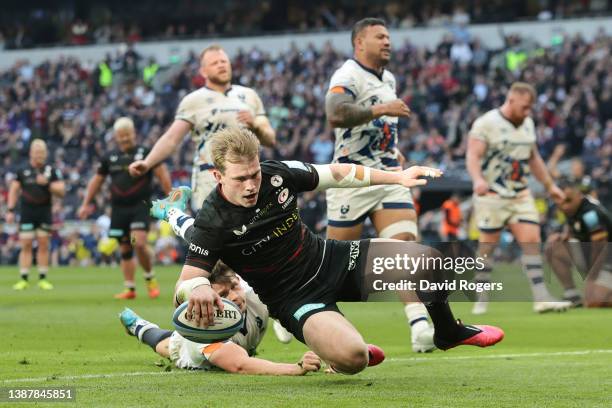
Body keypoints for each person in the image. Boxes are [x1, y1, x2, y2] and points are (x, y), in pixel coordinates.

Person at [154, 127, 504, 375]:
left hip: (330, 258)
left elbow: (336, 172)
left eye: (254, 175)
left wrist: (396, 177)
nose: (250, 185)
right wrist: (196, 287)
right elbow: (187, 280)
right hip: (293, 298)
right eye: (239, 179)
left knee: (428, 259)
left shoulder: (278, 175)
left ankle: (447, 331)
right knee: (354, 360)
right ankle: (337, 347)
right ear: (217, 176)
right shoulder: (213, 220)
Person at [323, 17, 434, 352]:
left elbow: (381, 126)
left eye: (388, 36)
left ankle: (419, 326)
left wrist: (393, 149)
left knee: (402, 247)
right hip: (351, 179)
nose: (388, 41)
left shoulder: (389, 78)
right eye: (380, 37)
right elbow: (336, 114)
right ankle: (290, 306)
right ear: (360, 43)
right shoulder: (347, 75)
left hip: (389, 176)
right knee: (334, 267)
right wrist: (381, 108)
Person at [466, 82, 572, 314]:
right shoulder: (486, 123)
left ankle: (541, 297)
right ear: (511, 100)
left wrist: (549, 185)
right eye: (524, 107)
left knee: (531, 242)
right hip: (492, 194)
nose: (528, 112)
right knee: (487, 248)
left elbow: (533, 158)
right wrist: (477, 180)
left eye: (530, 108)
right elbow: (473, 155)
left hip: (520, 193)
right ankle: (481, 298)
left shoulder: (528, 124)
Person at [128, 44, 276, 210]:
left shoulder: (249, 96)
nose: (221, 65)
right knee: (214, 235)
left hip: (247, 178)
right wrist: (147, 163)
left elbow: (270, 140)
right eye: (215, 63)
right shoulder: (193, 100)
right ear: (203, 71)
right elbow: (171, 139)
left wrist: (255, 124)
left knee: (251, 234)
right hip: (210, 179)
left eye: (224, 61)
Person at [119, 261, 322, 374]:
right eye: (223, 296)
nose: (234, 296)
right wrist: (296, 369)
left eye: (234, 286)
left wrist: (333, 356)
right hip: (189, 351)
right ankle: (138, 326)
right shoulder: (206, 331)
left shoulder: (254, 294)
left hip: (244, 344)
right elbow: (240, 364)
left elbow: (302, 314)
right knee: (167, 345)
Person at [78, 117, 171, 299]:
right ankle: (130, 288)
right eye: (121, 136)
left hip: (140, 206)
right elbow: (96, 181)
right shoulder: (109, 158)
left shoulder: (146, 153)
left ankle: (150, 278)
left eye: (127, 135)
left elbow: (162, 174)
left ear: (133, 133)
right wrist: (85, 203)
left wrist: (171, 198)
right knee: (125, 249)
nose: (124, 139)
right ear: (116, 136)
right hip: (119, 209)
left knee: (139, 243)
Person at [7, 139, 65, 290]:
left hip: (44, 212)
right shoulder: (22, 170)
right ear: (31, 153)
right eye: (37, 152)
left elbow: (61, 191)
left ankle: (43, 278)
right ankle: (24, 278)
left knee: (43, 244)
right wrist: (11, 210)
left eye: (42, 152)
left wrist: (47, 183)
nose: (40, 155)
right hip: (27, 212)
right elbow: (14, 189)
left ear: (46, 154)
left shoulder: (51, 171)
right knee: (25, 244)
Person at [545, 177, 612, 307]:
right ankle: (572, 295)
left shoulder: (590, 214)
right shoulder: (573, 210)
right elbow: (573, 226)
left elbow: (600, 248)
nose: (564, 206)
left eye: (568, 201)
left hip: (607, 261)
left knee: (594, 301)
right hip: (591, 258)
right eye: (561, 201)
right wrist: (564, 235)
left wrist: (591, 279)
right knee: (553, 248)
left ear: (579, 195)